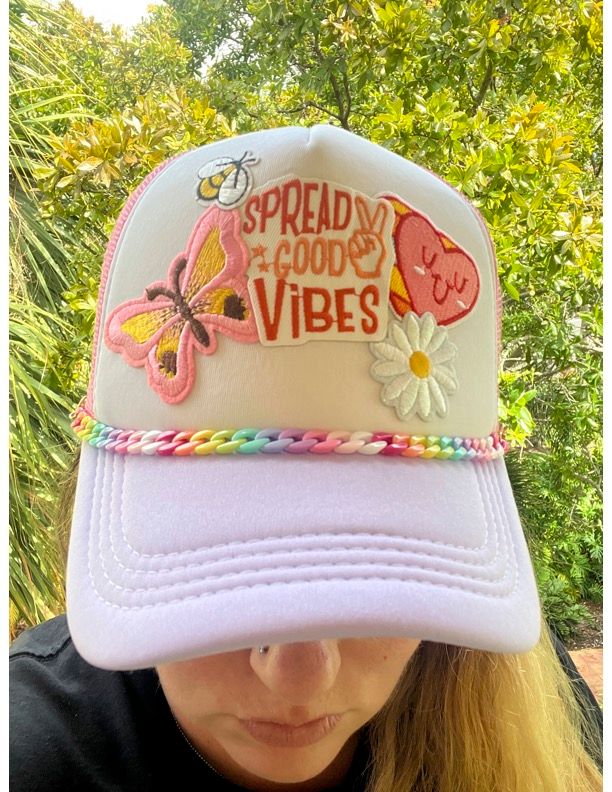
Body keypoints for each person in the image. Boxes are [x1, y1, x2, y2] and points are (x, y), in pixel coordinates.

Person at [10, 125, 602, 791]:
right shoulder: (32, 754)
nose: (298, 676)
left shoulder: (514, 695)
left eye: (381, 569)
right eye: (219, 568)